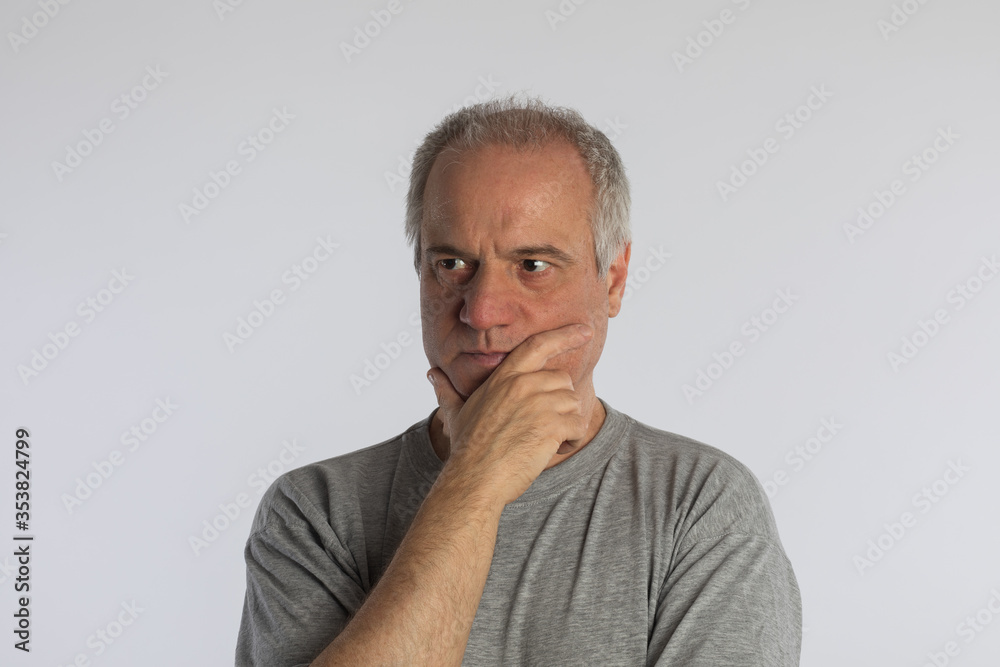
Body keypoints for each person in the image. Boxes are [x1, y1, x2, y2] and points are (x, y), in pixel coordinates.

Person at [236, 94, 802, 666]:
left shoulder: (698, 506)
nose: (481, 312)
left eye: (533, 267)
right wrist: (476, 481)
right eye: (452, 264)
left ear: (613, 281)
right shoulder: (315, 512)